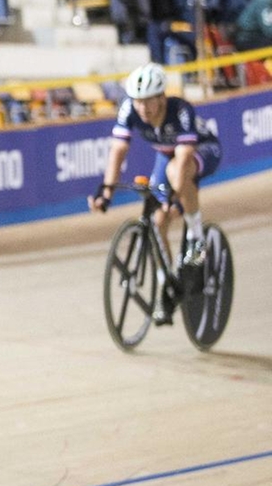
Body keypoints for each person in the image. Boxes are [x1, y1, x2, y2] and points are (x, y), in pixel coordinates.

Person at [89, 63, 222, 324]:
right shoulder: (129, 109)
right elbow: (118, 151)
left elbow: (183, 161)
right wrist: (106, 193)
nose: (143, 109)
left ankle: (196, 236)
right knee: (159, 221)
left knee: (175, 173)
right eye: (138, 102)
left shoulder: (180, 111)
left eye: (149, 102)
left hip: (201, 151)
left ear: (162, 97)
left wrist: (175, 198)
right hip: (166, 155)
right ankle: (167, 286)